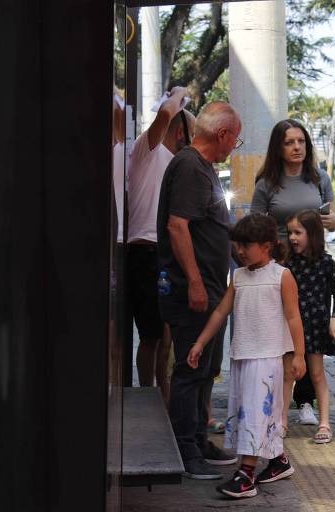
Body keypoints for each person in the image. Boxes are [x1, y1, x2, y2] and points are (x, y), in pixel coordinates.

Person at [187, 213, 306, 499]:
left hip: (267, 358)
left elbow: (293, 317)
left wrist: (299, 355)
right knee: (250, 411)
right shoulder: (238, 276)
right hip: (242, 355)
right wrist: (200, 342)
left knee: (254, 412)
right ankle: (278, 461)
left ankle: (246, 474)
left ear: (267, 245)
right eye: (237, 245)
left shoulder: (282, 276)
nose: (239, 251)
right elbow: (220, 312)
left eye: (245, 245)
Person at [157, 101, 242, 479]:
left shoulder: (203, 168)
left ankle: (197, 437)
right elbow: (178, 227)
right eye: (235, 141)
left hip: (211, 289)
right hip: (194, 291)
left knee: (206, 368)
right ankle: (184, 449)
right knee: (190, 369)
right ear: (222, 135)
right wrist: (193, 281)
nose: (232, 147)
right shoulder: (190, 166)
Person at [251, 119, 335, 426]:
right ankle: (272, 400)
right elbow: (255, 224)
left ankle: (305, 402)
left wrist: (334, 223)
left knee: (308, 333)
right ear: (279, 147)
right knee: (281, 335)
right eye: (289, 142)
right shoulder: (266, 183)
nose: (296, 147)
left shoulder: (319, 178)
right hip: (278, 266)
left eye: (301, 141)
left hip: (313, 266)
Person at [127, 86, 191, 402]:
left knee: (167, 336)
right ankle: (145, 396)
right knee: (151, 335)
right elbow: (165, 114)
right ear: (181, 132)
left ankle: (165, 400)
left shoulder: (178, 163)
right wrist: (178, 93)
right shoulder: (146, 149)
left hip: (166, 252)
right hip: (143, 251)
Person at [285, 210, 335, 443]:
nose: (292, 237)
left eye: (297, 232)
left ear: (313, 234)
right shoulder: (288, 263)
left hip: (317, 326)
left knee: (317, 374)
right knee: (289, 374)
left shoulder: (326, 262)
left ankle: (325, 423)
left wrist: (334, 318)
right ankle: (280, 422)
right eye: (290, 232)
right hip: (292, 327)